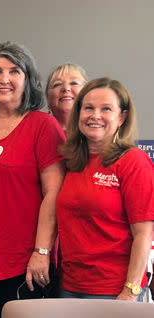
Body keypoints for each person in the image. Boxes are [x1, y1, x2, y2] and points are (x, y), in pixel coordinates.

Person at [0, 41, 65, 317]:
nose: (4, 79)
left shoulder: (43, 126)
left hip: (25, 266)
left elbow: (54, 194)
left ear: (28, 79)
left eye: (14, 71)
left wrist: (42, 252)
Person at [57, 77, 154, 300]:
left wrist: (130, 292)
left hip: (114, 291)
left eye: (106, 109)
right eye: (88, 108)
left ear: (122, 117)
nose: (95, 115)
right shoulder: (72, 163)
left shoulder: (133, 162)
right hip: (70, 286)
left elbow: (143, 234)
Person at [46, 63, 87, 133]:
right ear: (48, 99)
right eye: (57, 84)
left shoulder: (97, 134)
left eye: (74, 83)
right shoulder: (36, 132)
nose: (66, 88)